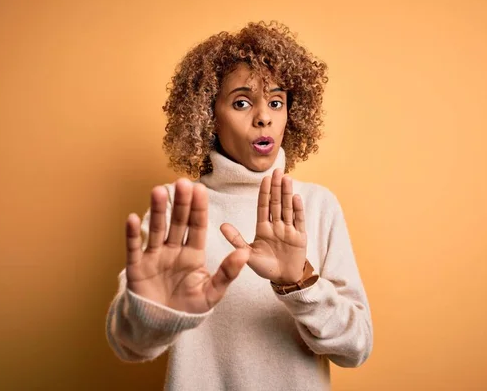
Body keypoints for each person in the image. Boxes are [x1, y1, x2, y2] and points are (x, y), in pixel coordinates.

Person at [105, 21, 373, 391]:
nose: (263, 117)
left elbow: (356, 348)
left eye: (276, 102)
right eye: (242, 102)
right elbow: (128, 345)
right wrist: (153, 314)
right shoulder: (177, 206)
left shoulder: (316, 205)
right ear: (208, 114)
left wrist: (300, 282)